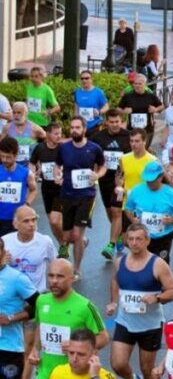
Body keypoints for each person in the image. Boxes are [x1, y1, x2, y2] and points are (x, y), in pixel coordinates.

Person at [105, 223, 173, 379]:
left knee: (147, 369)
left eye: (139, 239)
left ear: (147, 240)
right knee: (118, 363)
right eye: (131, 239)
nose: (135, 243)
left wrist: (157, 298)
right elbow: (115, 280)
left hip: (150, 325)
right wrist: (113, 302)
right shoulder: (120, 261)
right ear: (126, 241)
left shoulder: (157, 264)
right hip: (125, 321)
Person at [29, 259, 109, 379]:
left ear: (72, 278)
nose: (54, 281)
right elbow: (40, 326)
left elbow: (103, 337)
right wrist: (35, 350)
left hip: (74, 375)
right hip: (46, 374)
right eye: (51, 276)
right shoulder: (42, 301)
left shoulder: (84, 306)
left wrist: (75, 347)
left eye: (60, 277)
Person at [54, 117, 107, 280]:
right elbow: (57, 166)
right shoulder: (64, 148)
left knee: (76, 234)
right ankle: (82, 242)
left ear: (84, 129)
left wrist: (97, 174)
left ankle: (76, 269)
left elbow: (103, 166)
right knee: (67, 237)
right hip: (67, 194)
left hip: (87, 195)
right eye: (72, 127)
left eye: (77, 127)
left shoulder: (94, 148)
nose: (74, 130)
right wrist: (57, 175)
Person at [124, 160, 173, 263]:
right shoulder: (136, 191)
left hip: (163, 237)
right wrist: (133, 219)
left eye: (152, 180)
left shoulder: (172, 194)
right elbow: (128, 208)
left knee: (160, 265)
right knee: (142, 264)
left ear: (160, 177)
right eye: (147, 180)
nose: (150, 183)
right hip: (143, 237)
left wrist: (171, 220)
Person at [0, 236, 38, 379]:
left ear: (3, 253)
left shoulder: (16, 279)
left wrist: (11, 318)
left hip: (8, 347)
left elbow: (38, 305)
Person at [87, 109, 131, 258]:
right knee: (110, 211)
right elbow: (92, 157)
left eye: (117, 122)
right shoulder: (98, 137)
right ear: (106, 122)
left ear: (121, 121)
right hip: (105, 179)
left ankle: (111, 244)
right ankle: (118, 235)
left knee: (117, 210)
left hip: (121, 180)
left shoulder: (128, 136)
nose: (114, 125)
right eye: (111, 122)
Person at [29, 123, 65, 252]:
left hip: (61, 188)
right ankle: (63, 244)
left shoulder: (63, 148)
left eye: (60, 133)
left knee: (55, 220)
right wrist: (32, 173)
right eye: (56, 134)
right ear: (48, 134)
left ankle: (66, 243)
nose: (59, 136)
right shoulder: (40, 148)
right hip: (46, 188)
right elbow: (32, 163)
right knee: (52, 222)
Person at [0, 135, 36, 236]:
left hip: (17, 220)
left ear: (16, 156)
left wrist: (27, 204)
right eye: (2, 156)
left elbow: (33, 190)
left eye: (8, 157)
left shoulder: (26, 173)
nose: (4, 160)